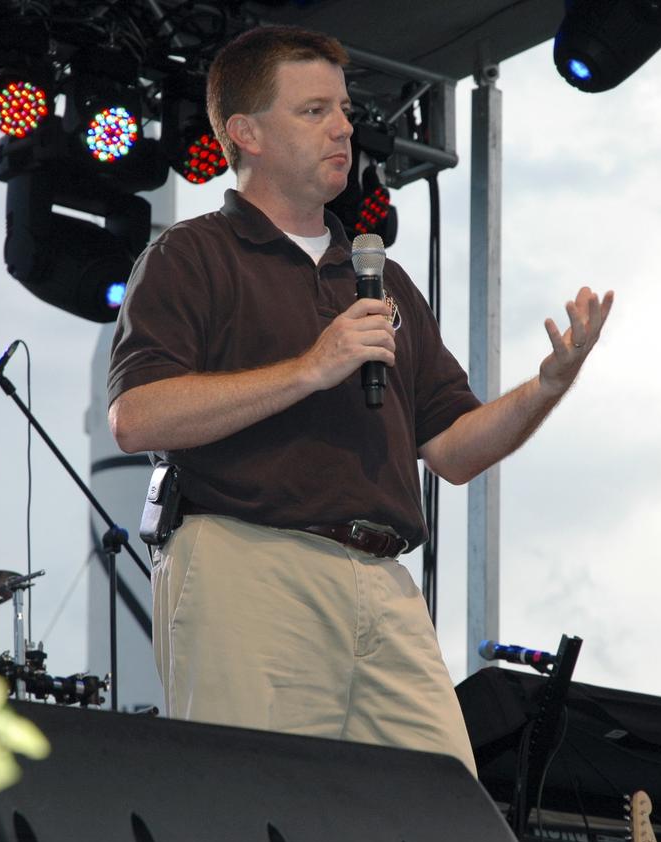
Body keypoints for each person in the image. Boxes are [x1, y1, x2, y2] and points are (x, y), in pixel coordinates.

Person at [107, 25, 613, 775]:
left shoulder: (382, 277)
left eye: (343, 109)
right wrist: (311, 367)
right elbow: (136, 416)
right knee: (256, 810)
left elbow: (454, 449)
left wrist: (547, 388)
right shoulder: (192, 255)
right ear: (246, 133)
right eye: (314, 111)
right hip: (248, 562)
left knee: (444, 811)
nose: (344, 126)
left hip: (385, 582)